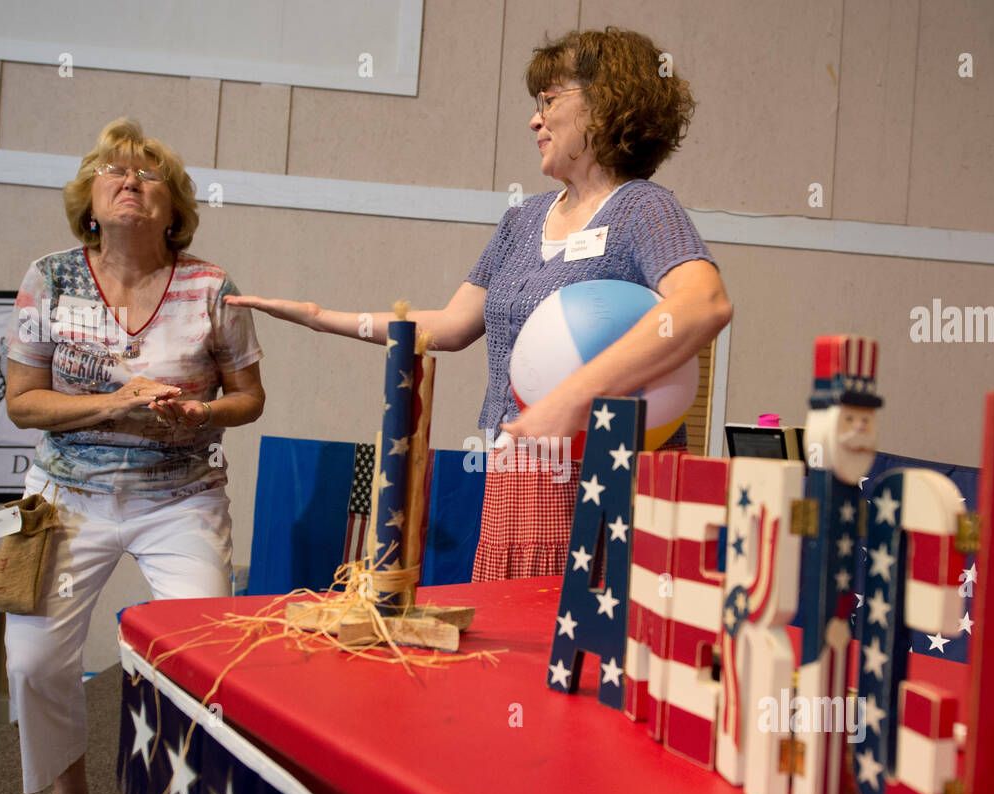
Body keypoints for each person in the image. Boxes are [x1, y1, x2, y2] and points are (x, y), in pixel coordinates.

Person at [229, 26, 729, 580]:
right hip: (518, 470)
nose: (533, 120)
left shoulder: (643, 208)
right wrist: (323, 319)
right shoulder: (522, 219)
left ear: (606, 104)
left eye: (548, 100)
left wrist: (569, 401)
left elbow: (703, 304)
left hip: (603, 477)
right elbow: (449, 325)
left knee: (582, 651)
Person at [0, 118, 265, 794]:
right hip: (60, 496)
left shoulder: (211, 286)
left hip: (179, 496)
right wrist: (114, 406)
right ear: (88, 198)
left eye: (148, 175)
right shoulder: (48, 278)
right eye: (111, 171)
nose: (128, 181)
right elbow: (24, 402)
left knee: (201, 651)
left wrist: (201, 410)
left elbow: (249, 396)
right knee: (32, 659)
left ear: (174, 208)